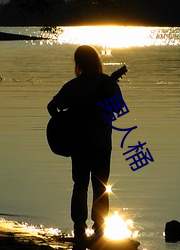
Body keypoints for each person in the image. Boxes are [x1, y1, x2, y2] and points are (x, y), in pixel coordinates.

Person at [47, 45, 123, 244]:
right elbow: (118, 109)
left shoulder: (74, 85)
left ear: (78, 63)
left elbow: (51, 106)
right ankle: (99, 229)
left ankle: (79, 227)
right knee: (101, 187)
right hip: (101, 143)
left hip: (78, 143)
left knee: (79, 185)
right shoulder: (108, 83)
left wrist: (64, 121)